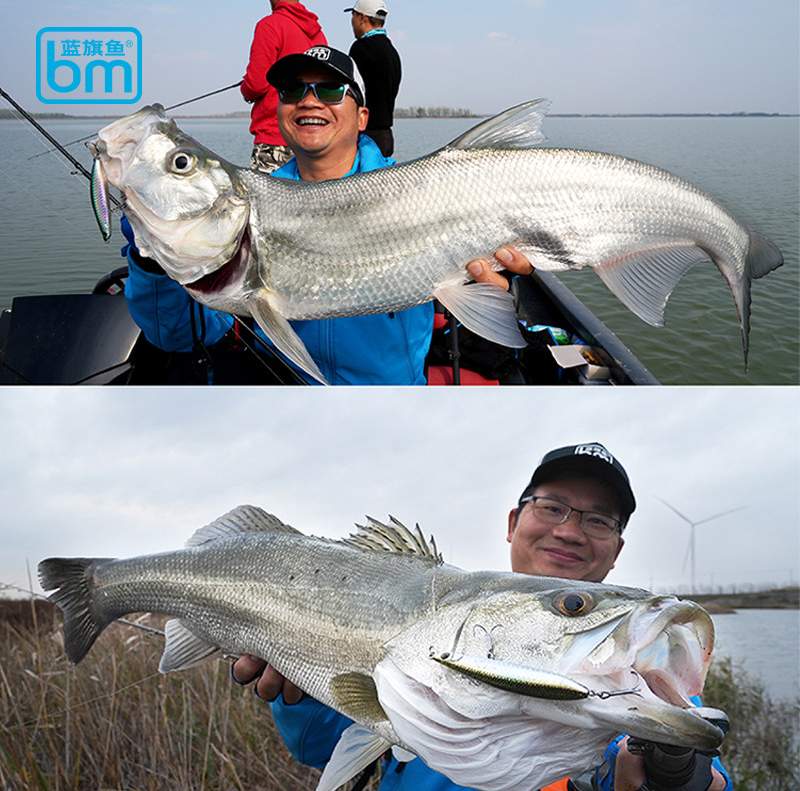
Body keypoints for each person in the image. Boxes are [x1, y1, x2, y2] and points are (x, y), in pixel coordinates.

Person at [232, 443, 731, 791]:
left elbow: (691, 763)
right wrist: (296, 692)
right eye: (553, 507)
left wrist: (675, 774)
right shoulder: (430, 611)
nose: (569, 531)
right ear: (514, 522)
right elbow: (317, 746)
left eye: (598, 520)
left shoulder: (638, 683)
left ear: (617, 551)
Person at [124, 45, 530, 385]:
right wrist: (153, 262)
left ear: (362, 116)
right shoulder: (244, 208)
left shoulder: (421, 191)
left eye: (331, 90)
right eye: (292, 90)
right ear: (280, 111)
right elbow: (181, 337)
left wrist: (504, 276)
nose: (308, 101)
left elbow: (488, 262)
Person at [241, 0, 327, 173]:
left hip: (274, 136)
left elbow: (256, 85)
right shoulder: (318, 34)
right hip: (311, 138)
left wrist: (245, 88)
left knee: (264, 192)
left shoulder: (269, 25)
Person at [343, 0, 401, 156]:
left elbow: (352, 92)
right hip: (385, 136)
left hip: (366, 136)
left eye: (353, 15)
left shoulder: (361, 48)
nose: (352, 21)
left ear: (362, 18)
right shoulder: (392, 51)